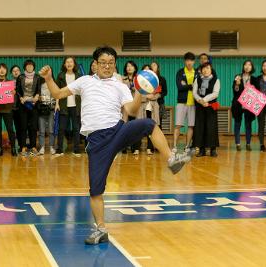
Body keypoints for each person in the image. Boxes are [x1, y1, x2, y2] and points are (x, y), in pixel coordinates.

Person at [39, 46, 192, 245]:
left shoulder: (119, 84)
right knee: (95, 190)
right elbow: (58, 94)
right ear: (95, 64)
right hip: (96, 142)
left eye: (111, 63)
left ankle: (171, 159)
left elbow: (133, 110)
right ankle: (101, 229)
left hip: (117, 130)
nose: (107, 66)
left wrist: (139, 92)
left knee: (148, 124)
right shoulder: (84, 81)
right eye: (103, 63)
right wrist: (49, 78)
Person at [55, 57, 82, 156]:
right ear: (64, 64)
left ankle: (76, 149)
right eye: (67, 62)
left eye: (71, 62)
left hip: (76, 106)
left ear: (74, 64)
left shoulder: (79, 76)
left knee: (76, 128)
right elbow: (57, 91)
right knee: (61, 128)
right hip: (63, 105)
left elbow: (82, 92)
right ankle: (59, 149)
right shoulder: (61, 75)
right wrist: (57, 104)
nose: (69, 63)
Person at [193, 63, 220, 157]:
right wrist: (200, 101)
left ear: (211, 69)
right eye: (203, 68)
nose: (205, 70)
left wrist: (204, 100)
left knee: (211, 127)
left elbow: (215, 93)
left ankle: (213, 149)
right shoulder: (197, 79)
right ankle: (201, 149)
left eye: (207, 68)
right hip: (200, 106)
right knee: (200, 127)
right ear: (201, 70)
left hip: (211, 106)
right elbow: (194, 93)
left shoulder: (216, 80)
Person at [16, 59, 41, 156]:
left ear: (33, 67)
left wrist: (37, 96)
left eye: (31, 65)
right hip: (23, 105)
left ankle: (33, 147)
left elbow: (39, 89)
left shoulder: (37, 77)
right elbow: (17, 90)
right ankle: (23, 147)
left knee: (33, 127)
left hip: (34, 105)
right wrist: (21, 98)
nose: (29, 67)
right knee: (23, 126)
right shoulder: (20, 77)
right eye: (27, 65)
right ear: (25, 67)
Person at [174, 52, 197, 154]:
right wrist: (191, 85)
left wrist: (186, 85)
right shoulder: (180, 72)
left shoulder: (197, 73)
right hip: (181, 103)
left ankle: (187, 146)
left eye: (191, 60)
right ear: (185, 61)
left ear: (194, 62)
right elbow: (180, 87)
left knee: (191, 126)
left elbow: (198, 87)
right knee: (178, 125)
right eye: (187, 60)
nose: (189, 62)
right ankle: (174, 146)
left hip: (193, 103)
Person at [0, 63, 16, 156]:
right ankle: (0, 148)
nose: (2, 70)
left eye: (4, 68)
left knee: (10, 128)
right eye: (0, 68)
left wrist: (13, 93)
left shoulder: (10, 83)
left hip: (7, 108)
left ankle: (13, 148)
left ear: (6, 70)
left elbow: (13, 96)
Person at [231, 60, 256, 151]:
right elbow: (235, 91)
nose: (247, 66)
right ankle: (238, 143)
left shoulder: (254, 79)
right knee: (237, 123)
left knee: (248, 124)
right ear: (243, 66)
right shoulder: (238, 77)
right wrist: (237, 85)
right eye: (245, 64)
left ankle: (248, 144)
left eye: (249, 65)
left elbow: (256, 93)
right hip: (238, 104)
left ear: (252, 67)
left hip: (249, 104)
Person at [38, 69, 58, 155]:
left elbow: (57, 94)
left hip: (51, 108)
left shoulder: (53, 83)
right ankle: (42, 147)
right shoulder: (39, 84)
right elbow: (36, 95)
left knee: (51, 130)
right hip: (41, 109)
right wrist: (39, 98)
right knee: (42, 130)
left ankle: (51, 147)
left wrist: (57, 104)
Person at [121, 60, 139, 154]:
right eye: (127, 66)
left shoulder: (139, 79)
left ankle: (134, 148)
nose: (129, 67)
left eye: (131, 66)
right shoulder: (122, 79)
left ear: (135, 68)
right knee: (125, 127)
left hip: (135, 105)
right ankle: (124, 147)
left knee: (135, 127)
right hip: (126, 106)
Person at [150, 61, 168, 128]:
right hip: (149, 103)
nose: (152, 67)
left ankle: (158, 138)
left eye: (154, 65)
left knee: (158, 123)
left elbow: (165, 92)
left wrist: (158, 95)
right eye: (151, 66)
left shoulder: (162, 79)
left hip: (159, 103)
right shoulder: (148, 79)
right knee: (149, 123)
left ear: (158, 67)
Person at [10, 65, 22, 152]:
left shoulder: (23, 81)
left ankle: (21, 146)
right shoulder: (8, 83)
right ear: (11, 73)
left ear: (20, 72)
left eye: (17, 70)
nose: (16, 72)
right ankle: (12, 146)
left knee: (20, 128)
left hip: (20, 108)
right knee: (10, 128)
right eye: (14, 71)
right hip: (10, 108)